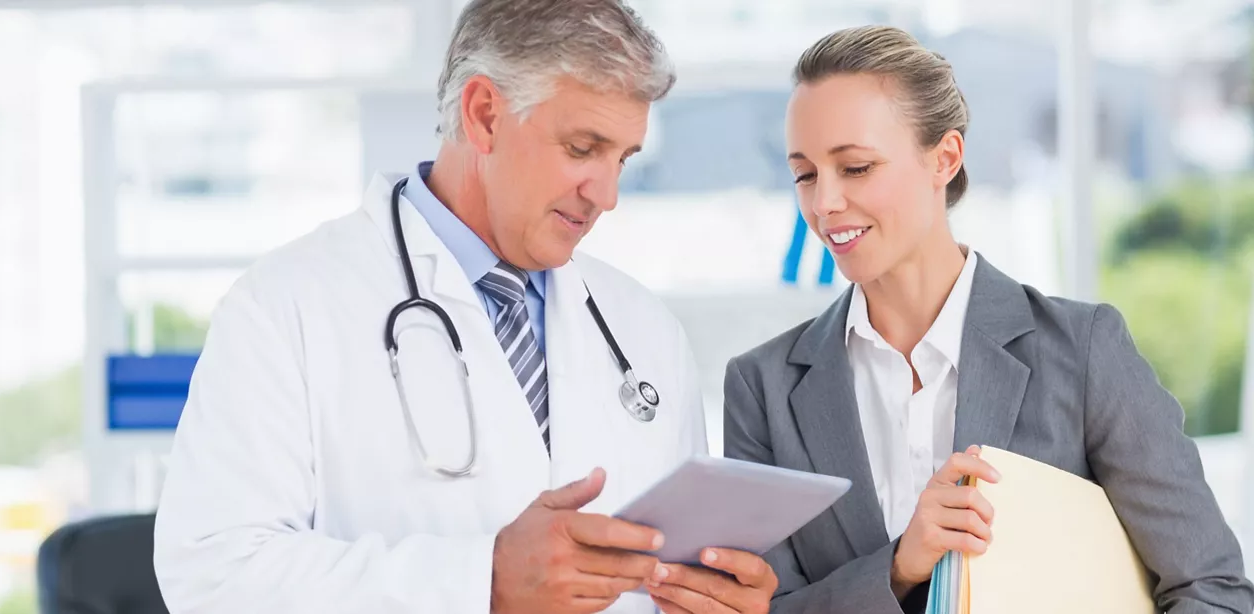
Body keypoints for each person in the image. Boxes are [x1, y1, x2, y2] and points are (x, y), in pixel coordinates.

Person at [153, 2, 776, 613]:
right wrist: (480, 581)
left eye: (623, 159)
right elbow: (212, 574)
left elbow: (670, 572)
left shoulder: (643, 329)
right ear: (484, 117)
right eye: (583, 149)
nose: (607, 196)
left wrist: (710, 601)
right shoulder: (286, 305)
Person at [721, 24, 1254, 613]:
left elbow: (1212, 588)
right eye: (804, 173)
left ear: (944, 159)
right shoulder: (763, 389)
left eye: (856, 167)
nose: (823, 204)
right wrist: (897, 568)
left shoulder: (1083, 353)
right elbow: (763, 610)